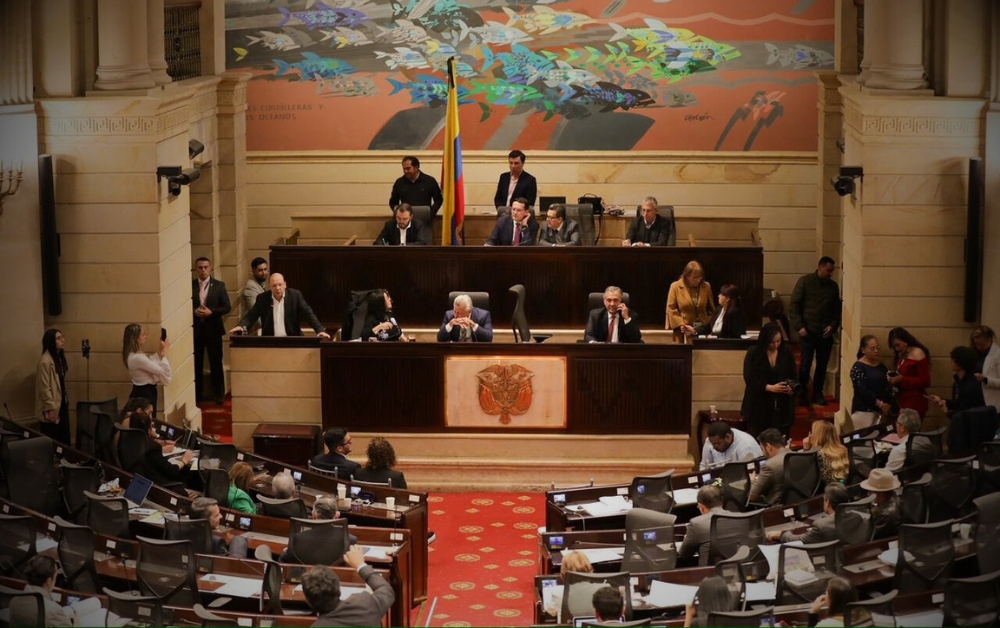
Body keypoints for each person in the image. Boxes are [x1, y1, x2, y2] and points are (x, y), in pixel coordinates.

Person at [789, 256, 841, 406]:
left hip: (825, 333)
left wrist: (833, 326)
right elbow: (794, 305)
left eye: (832, 270)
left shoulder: (833, 286)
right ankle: (803, 391)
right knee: (805, 364)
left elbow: (836, 310)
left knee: (822, 365)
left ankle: (818, 392)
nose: (831, 273)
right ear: (820, 267)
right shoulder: (805, 282)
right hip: (808, 331)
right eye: (829, 270)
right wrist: (799, 326)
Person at [302, 545, 395, 627]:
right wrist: (360, 565)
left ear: (308, 601)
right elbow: (386, 590)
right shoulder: (366, 604)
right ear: (338, 589)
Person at [231, 273, 330, 339]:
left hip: (292, 339)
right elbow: (251, 315)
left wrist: (319, 330)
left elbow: (309, 313)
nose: (277, 288)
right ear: (270, 286)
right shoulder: (262, 299)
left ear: (285, 285)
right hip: (270, 341)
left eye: (280, 284)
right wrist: (241, 326)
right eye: (274, 285)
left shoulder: (295, 296)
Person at [741, 322, 796, 436]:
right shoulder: (753, 352)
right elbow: (749, 379)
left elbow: (793, 376)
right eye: (772, 342)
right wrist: (769, 387)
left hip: (781, 406)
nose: (776, 345)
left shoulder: (786, 353)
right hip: (758, 405)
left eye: (778, 341)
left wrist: (791, 388)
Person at [192, 257, 231, 404]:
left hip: (213, 329)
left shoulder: (219, 285)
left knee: (216, 363)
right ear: (196, 269)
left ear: (210, 268)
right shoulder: (191, 285)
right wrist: (194, 311)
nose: (203, 270)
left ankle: (218, 394)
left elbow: (226, 306)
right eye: (200, 267)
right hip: (196, 330)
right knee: (197, 363)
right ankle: (197, 395)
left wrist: (212, 312)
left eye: (205, 267)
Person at [280, 496, 357, 563]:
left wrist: (287, 551)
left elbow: (282, 561)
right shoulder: (350, 540)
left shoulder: (298, 539)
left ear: (314, 514)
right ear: (337, 515)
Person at [766, 483, 849, 544]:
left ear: (827, 502)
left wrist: (782, 534)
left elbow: (799, 541)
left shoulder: (821, 525)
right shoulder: (855, 517)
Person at [129, 411, 193, 486]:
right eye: (151, 426)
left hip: (137, 482)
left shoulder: (128, 442)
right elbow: (172, 471)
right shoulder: (152, 447)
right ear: (149, 430)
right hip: (158, 486)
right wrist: (184, 461)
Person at [10, 555, 74, 626]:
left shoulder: (14, 601)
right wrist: (76, 622)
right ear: (49, 581)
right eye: (55, 576)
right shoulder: (52, 610)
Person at [122, 323, 171, 412]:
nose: (145, 336)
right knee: (147, 418)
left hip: (140, 390)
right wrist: (166, 352)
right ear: (135, 339)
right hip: (146, 393)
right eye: (142, 335)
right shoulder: (138, 358)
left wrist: (160, 349)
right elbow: (160, 370)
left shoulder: (131, 355)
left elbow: (150, 363)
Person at [35, 328, 71, 444]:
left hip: (61, 402)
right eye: (58, 338)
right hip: (52, 406)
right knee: (53, 439)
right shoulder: (45, 361)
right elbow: (44, 388)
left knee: (64, 437)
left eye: (62, 337)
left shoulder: (59, 358)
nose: (63, 340)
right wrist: (50, 408)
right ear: (51, 341)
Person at [929, 346, 987, 416]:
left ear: (959, 363)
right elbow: (957, 403)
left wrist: (947, 412)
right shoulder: (959, 381)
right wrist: (942, 401)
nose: (951, 362)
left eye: (953, 359)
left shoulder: (970, 385)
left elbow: (965, 413)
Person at [666, 261, 716, 340]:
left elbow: (711, 309)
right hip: (683, 331)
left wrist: (708, 323)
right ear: (687, 276)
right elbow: (671, 309)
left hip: (702, 331)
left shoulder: (706, 286)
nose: (698, 280)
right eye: (695, 278)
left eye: (700, 277)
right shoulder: (675, 286)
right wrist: (681, 325)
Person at [887, 327, 931, 417]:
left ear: (905, 341)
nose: (897, 349)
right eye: (895, 346)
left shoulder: (917, 353)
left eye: (898, 345)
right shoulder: (901, 354)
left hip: (914, 402)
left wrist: (902, 379)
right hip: (901, 400)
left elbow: (926, 381)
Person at [849, 335, 890, 430]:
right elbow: (861, 390)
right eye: (872, 348)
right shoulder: (858, 367)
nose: (876, 351)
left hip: (880, 411)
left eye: (877, 348)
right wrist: (879, 404)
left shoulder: (882, 367)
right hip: (863, 411)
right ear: (863, 350)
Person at [678, 485, 725, 566]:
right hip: (737, 571)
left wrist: (687, 539)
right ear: (722, 503)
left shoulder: (697, 524)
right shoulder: (738, 518)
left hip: (709, 572)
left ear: (701, 507)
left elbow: (684, 554)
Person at [543, 551, 593, 618]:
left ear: (563, 572)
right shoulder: (600, 591)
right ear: (588, 568)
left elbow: (551, 612)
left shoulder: (554, 592)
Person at [748, 428, 788, 505]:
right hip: (796, 503)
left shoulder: (769, 465)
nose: (763, 453)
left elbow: (752, 496)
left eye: (762, 449)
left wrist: (752, 481)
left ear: (768, 446)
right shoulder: (795, 455)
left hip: (775, 508)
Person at [801, 420, 849, 485]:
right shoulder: (844, 450)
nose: (810, 435)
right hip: (844, 487)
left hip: (827, 490)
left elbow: (805, 473)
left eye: (812, 433)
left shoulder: (818, 454)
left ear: (817, 436)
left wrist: (806, 449)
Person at [862, 468, 901, 540]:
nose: (869, 495)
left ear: (880, 493)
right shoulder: (896, 497)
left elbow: (871, 539)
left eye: (870, 492)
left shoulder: (885, 515)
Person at [972, 326, 1000, 409]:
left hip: (993, 402)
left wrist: (985, 379)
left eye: (981, 345)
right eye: (976, 344)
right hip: (976, 400)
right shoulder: (975, 354)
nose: (978, 347)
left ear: (989, 339)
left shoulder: (998, 355)